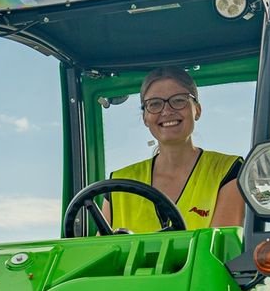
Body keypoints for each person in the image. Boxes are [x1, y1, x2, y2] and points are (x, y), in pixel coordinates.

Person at [104, 67, 244, 232]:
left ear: (197, 110)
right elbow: (98, 251)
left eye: (178, 100)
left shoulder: (228, 171)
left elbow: (222, 250)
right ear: (145, 118)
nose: (167, 111)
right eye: (154, 104)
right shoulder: (118, 184)